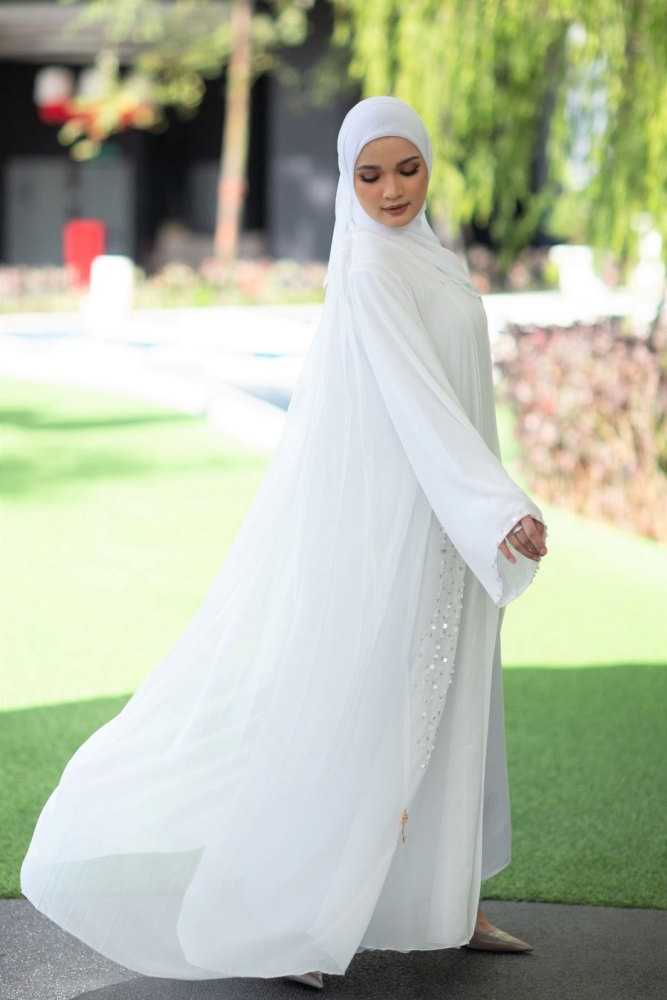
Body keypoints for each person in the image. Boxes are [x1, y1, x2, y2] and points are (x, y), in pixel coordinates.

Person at [20, 96, 548, 990]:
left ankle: (445, 904)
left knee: (451, 700)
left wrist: (479, 509)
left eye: (406, 169)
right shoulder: (374, 269)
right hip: (395, 523)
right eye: (368, 175)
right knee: (357, 712)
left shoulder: (433, 260)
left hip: (443, 523)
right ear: (345, 181)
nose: (389, 191)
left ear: (428, 167)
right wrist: (494, 507)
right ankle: (286, 919)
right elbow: (416, 399)